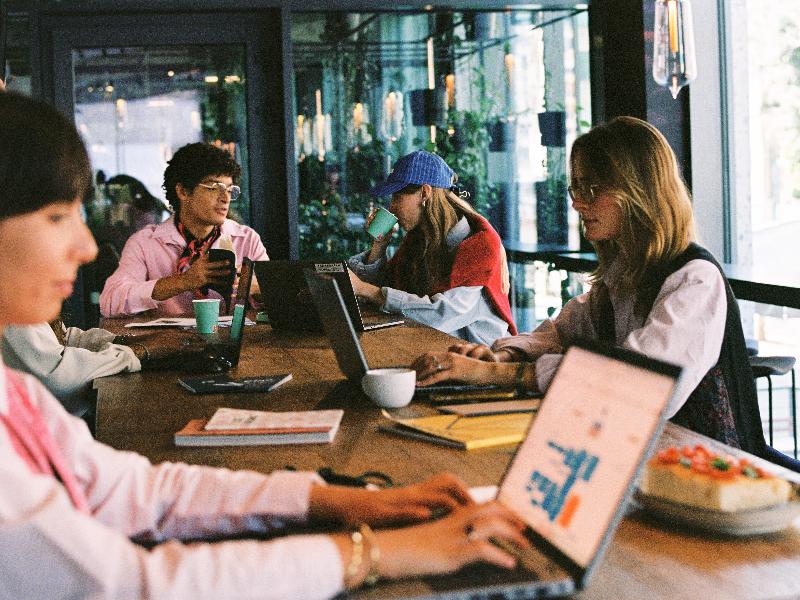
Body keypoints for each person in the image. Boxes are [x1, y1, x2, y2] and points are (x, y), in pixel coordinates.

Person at [0, 91, 530, 598]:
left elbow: (136, 490)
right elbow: (137, 584)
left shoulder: (14, 396)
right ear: (182, 193)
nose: (87, 245)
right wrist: (376, 552)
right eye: (57, 217)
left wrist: (330, 499)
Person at [413, 116, 768, 459]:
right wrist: (505, 356)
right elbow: (562, 332)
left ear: (639, 191)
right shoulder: (622, 273)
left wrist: (495, 374)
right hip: (640, 454)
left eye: (591, 189)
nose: (576, 203)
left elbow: (639, 386)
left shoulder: (695, 280)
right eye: (576, 188)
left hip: (709, 472)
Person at [348, 150, 517, 345]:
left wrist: (366, 290)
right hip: (434, 348)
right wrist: (379, 246)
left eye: (397, 197)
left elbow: (440, 315)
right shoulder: (419, 240)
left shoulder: (481, 245)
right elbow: (387, 291)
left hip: (481, 357)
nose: (392, 207)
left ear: (424, 193)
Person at [99, 142, 269, 317]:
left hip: (231, 335)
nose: (225, 198)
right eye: (214, 188)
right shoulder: (145, 243)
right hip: (167, 336)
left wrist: (257, 289)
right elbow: (110, 302)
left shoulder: (246, 239)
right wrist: (183, 281)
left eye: (229, 189)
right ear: (183, 191)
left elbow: (276, 302)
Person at [2, 321, 145, 417]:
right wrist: (137, 351)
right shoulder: (12, 308)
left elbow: (62, 337)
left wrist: (121, 341)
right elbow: (59, 375)